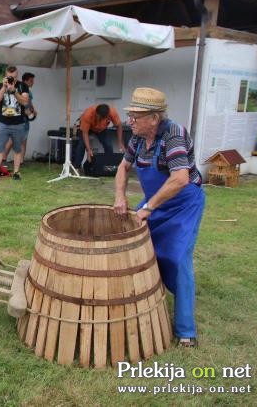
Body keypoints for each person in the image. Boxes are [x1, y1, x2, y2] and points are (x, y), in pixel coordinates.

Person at [113, 87, 205, 348]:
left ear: (154, 118)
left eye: (135, 116)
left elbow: (179, 179)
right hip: (156, 202)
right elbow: (123, 167)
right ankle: (148, 297)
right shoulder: (138, 138)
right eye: (130, 115)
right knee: (141, 249)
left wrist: (148, 207)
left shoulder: (173, 135)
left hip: (183, 204)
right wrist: (120, 197)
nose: (130, 121)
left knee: (177, 258)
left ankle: (186, 330)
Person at [0, 66, 30, 182]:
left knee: (17, 149)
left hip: (18, 123)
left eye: (15, 77)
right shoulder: (0, 85)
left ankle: (16, 173)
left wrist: (14, 91)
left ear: (17, 75)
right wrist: (4, 87)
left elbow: (25, 102)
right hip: (3, 123)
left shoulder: (22, 86)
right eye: (10, 77)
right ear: (5, 76)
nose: (13, 80)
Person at [72, 103, 125, 170]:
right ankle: (77, 167)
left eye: (104, 118)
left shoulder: (112, 112)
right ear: (96, 114)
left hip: (102, 129)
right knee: (81, 145)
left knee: (108, 145)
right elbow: (85, 133)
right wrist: (89, 150)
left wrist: (120, 142)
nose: (102, 120)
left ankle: (108, 166)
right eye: (100, 118)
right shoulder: (88, 114)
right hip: (88, 129)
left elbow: (119, 126)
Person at [2, 72, 36, 163]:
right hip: (21, 118)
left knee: (19, 140)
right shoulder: (23, 89)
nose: (33, 82)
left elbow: (29, 104)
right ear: (25, 81)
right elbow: (26, 104)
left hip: (20, 117)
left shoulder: (21, 89)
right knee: (16, 139)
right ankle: (7, 158)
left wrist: (33, 110)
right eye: (31, 81)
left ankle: (18, 160)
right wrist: (30, 111)